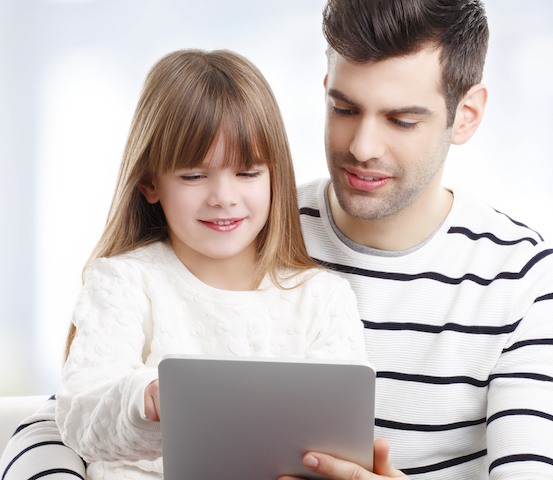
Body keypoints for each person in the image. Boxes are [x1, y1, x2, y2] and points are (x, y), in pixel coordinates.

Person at [0, 1, 553, 479]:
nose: (362, 146)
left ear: (466, 115)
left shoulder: (529, 282)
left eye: (402, 119)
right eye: (343, 107)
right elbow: (69, 416)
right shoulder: (245, 230)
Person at [0, 49, 366, 480]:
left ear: (275, 176)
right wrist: (147, 398)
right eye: (194, 176)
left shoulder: (321, 300)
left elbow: (340, 446)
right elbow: (78, 419)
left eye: (247, 173)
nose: (223, 197)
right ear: (150, 182)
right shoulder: (123, 282)